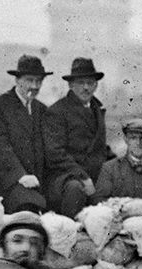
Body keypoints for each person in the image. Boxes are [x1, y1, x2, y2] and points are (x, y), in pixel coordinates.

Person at [44, 57, 115, 216]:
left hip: (93, 176)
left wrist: (121, 164)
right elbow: (55, 154)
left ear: (96, 85)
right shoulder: (57, 112)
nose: (86, 88)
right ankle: (69, 232)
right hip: (66, 178)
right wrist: (83, 177)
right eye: (81, 83)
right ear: (70, 85)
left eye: (90, 83)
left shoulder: (97, 109)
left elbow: (101, 148)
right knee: (76, 189)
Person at [0, 54, 53, 212]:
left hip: (36, 184)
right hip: (7, 185)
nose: (35, 86)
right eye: (30, 80)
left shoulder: (42, 110)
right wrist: (20, 175)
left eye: (39, 81)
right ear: (17, 80)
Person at [92, 118, 142, 201]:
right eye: (133, 138)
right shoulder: (110, 169)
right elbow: (98, 200)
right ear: (126, 140)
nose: (138, 143)